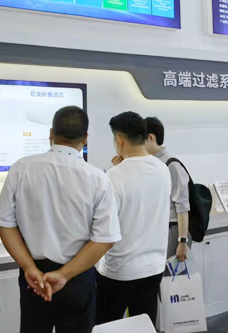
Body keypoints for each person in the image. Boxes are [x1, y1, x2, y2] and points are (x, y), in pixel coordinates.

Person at [0, 106, 121, 333]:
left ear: (51, 134)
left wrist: (29, 267)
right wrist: (64, 275)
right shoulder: (98, 179)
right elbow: (105, 239)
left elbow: (4, 223)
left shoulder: (21, 168)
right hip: (77, 277)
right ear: (85, 138)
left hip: (34, 278)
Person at [95, 112, 171, 325]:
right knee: (144, 325)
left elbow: (105, 226)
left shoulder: (114, 176)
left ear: (119, 140)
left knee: (107, 326)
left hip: (119, 270)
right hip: (153, 267)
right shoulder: (163, 168)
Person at [144, 116, 191, 261]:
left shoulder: (171, 165)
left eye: (140, 141)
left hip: (173, 228)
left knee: (171, 272)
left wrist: (182, 241)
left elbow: (182, 206)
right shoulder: (151, 163)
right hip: (158, 228)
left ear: (150, 138)